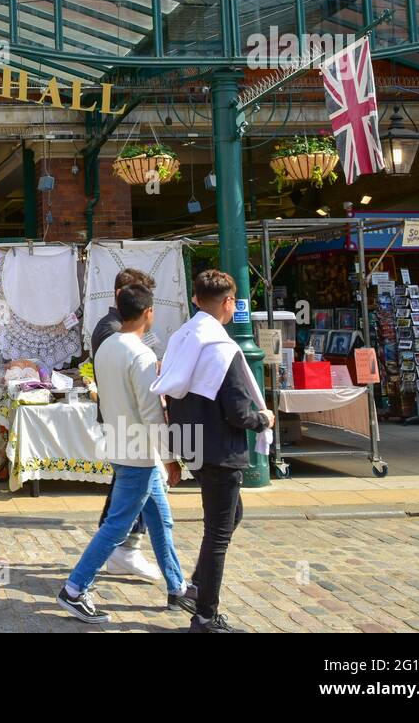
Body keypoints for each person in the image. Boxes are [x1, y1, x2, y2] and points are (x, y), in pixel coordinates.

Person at [56, 285, 196, 623]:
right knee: (118, 525)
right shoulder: (141, 354)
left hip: (121, 442)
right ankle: (74, 588)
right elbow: (151, 413)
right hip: (139, 450)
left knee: (160, 521)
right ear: (148, 312)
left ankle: (177, 585)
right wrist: (169, 456)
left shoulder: (108, 348)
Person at [152, 269, 275, 634]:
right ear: (228, 304)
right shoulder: (222, 347)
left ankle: (196, 587)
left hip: (193, 443)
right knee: (218, 534)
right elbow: (238, 414)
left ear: (195, 299)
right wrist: (263, 419)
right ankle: (205, 615)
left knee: (230, 514)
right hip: (220, 449)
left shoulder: (182, 337)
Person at [88, 268, 165, 582]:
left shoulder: (117, 329)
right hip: (128, 423)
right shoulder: (113, 331)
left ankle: (170, 579)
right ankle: (80, 582)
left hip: (128, 423)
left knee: (133, 495)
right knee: (125, 502)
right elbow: (126, 383)